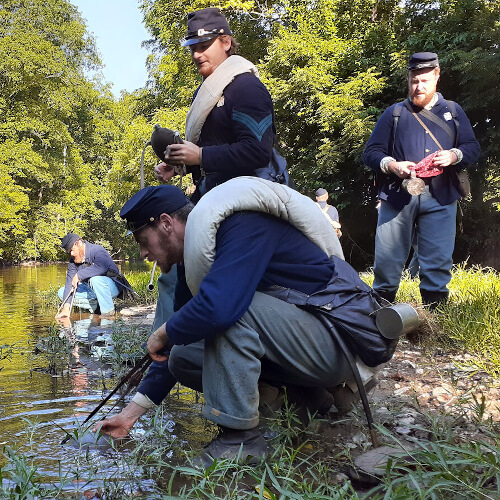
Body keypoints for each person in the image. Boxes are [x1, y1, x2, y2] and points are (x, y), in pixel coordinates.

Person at [109, 179, 395, 467]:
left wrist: (164, 330)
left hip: (339, 343)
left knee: (227, 311)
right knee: (183, 356)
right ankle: (309, 400)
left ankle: (240, 439)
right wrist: (128, 416)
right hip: (304, 348)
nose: (144, 255)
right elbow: (175, 343)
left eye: (143, 242)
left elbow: (220, 310)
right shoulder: (196, 258)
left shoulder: (241, 224)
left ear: (166, 223)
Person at [363, 52, 480, 308]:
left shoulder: (453, 111)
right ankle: (380, 318)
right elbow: (371, 153)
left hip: (442, 195)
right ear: (408, 79)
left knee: (438, 260)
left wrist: (453, 155)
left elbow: (472, 148)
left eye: (425, 80)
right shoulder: (394, 113)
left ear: (437, 77)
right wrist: (392, 165)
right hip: (397, 195)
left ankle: (434, 322)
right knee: (387, 259)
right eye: (414, 80)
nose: (419, 86)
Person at [154, 7, 288, 201]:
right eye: (193, 49)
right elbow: (214, 145)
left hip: (250, 195)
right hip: (216, 194)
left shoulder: (246, 86)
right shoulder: (204, 93)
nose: (196, 55)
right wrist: (179, 166)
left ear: (226, 42)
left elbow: (257, 152)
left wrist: (201, 156)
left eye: (204, 46)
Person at [56, 233, 130, 318]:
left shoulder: (97, 250)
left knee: (96, 280)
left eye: (72, 250)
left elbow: (101, 268)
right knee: (61, 292)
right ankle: (95, 305)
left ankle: (108, 313)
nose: (71, 254)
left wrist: (78, 275)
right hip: (90, 288)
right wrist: (66, 308)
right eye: (69, 252)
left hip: (112, 286)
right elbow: (69, 282)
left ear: (79, 243)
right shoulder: (73, 261)